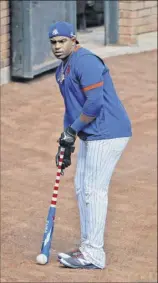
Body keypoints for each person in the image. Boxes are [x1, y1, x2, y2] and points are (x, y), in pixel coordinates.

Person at [48, 21, 132, 269]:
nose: (57, 46)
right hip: (90, 134)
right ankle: (87, 246)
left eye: (62, 41)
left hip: (107, 132)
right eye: (53, 42)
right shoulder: (61, 70)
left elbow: (94, 105)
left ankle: (94, 254)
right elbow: (72, 108)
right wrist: (67, 142)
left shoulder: (86, 62)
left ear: (74, 40)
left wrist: (73, 130)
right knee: (81, 188)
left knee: (93, 191)